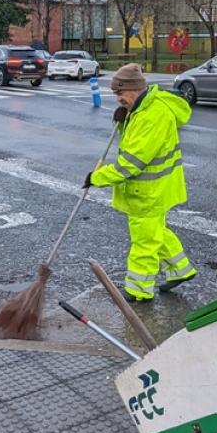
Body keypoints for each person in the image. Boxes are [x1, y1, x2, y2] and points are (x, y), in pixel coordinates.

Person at [85, 64, 196, 303]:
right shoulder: (142, 107)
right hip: (153, 188)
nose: (117, 98)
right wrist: (124, 120)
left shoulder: (152, 116)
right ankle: (181, 270)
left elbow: (131, 164)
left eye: (120, 93)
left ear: (134, 89)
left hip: (149, 192)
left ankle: (139, 290)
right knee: (156, 232)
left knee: (144, 242)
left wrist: (95, 178)